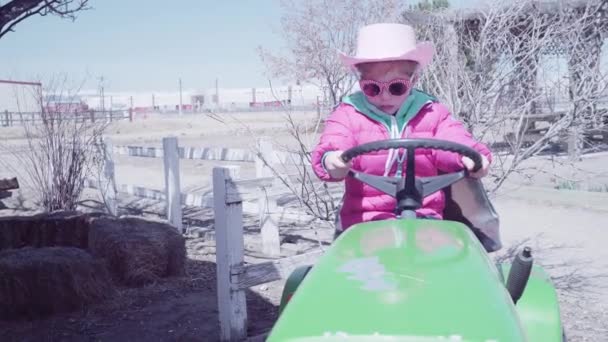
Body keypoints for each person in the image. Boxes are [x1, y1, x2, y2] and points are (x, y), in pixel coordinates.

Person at [311, 23, 493, 232]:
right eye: (372, 88)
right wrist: (332, 160)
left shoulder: (432, 113)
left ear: (414, 79)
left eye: (397, 87)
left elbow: (454, 139)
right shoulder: (348, 114)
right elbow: (333, 141)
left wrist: (470, 157)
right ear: (361, 83)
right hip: (366, 223)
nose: (385, 96)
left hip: (425, 219)